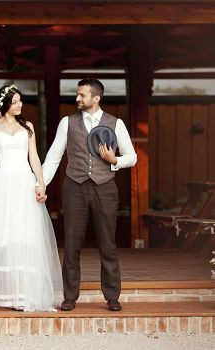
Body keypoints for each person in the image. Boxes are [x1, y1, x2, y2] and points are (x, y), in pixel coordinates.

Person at [41, 78, 137, 312]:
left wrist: (114, 160)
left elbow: (132, 157)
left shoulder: (116, 123)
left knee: (108, 244)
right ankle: (70, 296)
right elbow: (54, 157)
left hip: (105, 188)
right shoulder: (67, 122)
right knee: (72, 243)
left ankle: (112, 296)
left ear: (96, 98)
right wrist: (40, 184)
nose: (77, 98)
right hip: (74, 186)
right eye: (77, 94)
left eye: (82, 95)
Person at [0, 84, 62, 312]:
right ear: (5, 103)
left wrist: (41, 183)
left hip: (23, 184)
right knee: (1, 238)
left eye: (20, 101)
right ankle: (3, 294)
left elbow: (34, 157)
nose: (20, 105)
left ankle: (23, 295)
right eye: (15, 101)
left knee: (23, 237)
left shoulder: (27, 127)